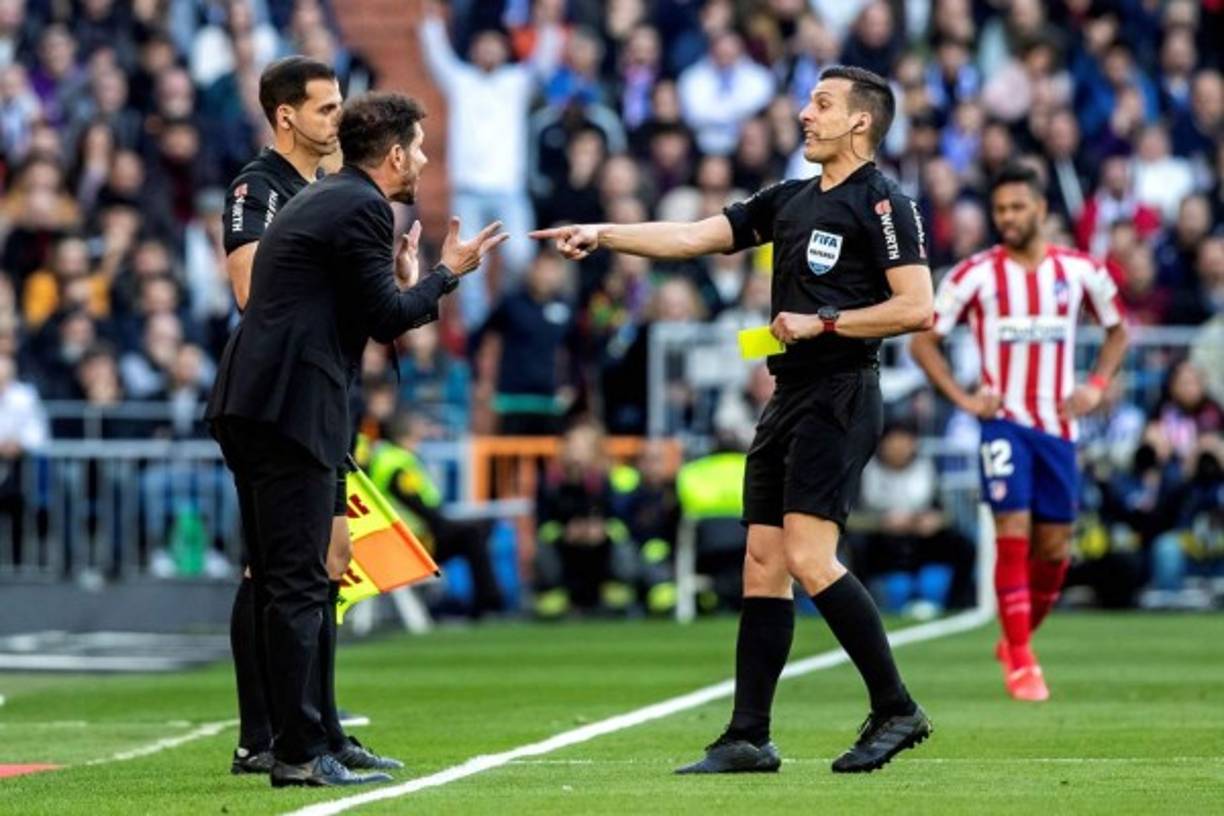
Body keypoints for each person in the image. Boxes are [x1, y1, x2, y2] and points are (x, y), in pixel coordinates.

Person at [534, 65, 935, 775]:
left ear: (861, 121)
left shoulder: (884, 202)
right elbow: (694, 236)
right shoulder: (790, 198)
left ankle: (896, 706)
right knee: (763, 563)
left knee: (810, 557)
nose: (805, 114)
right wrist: (605, 234)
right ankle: (748, 735)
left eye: (822, 104)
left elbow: (916, 307)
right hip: (789, 395)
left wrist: (824, 321)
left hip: (842, 391)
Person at [207, 90, 506, 788]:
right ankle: (297, 752)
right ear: (395, 154)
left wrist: (402, 284)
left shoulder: (331, 198)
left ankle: (311, 739)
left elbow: (364, 308)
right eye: (420, 148)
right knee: (297, 582)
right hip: (289, 409)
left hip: (260, 403)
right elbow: (387, 317)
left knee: (290, 578)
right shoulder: (362, 206)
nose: (425, 161)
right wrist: (447, 275)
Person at [219, 56, 395, 778]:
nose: (339, 117)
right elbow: (247, 289)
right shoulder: (257, 188)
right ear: (285, 115)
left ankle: (320, 729)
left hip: (319, 393)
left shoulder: (326, 190)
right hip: (277, 396)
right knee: (272, 570)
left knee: (327, 562)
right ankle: (262, 736)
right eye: (326, 107)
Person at [909, 162, 1130, 701]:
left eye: (1017, 207)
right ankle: (1023, 662)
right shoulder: (973, 275)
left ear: (1041, 209)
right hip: (1003, 423)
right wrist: (964, 399)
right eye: (1000, 209)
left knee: (1054, 551)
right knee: (1012, 529)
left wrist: (1096, 385)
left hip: (1058, 426)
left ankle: (1016, 638)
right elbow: (923, 341)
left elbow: (1118, 331)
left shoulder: (1080, 270)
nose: (1007, 217)